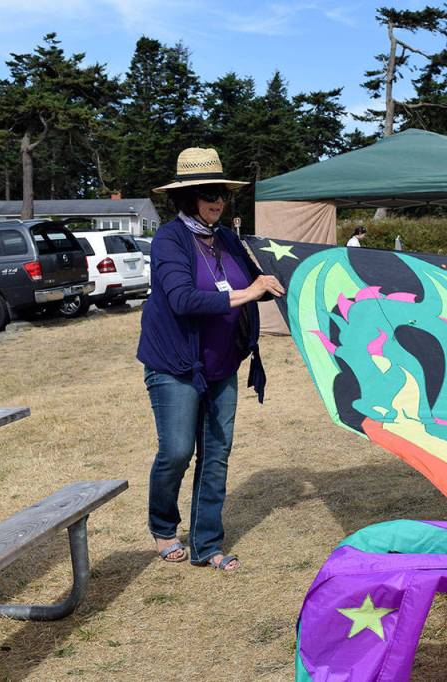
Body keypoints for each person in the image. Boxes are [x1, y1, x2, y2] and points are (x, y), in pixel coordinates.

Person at [137, 148, 285, 573]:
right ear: (187, 199)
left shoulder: (227, 239)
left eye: (219, 193)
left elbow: (261, 276)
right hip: (175, 365)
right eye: (206, 194)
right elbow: (183, 299)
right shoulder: (169, 239)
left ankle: (207, 544)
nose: (215, 201)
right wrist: (248, 293)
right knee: (178, 451)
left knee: (216, 453)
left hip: (223, 364)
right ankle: (164, 526)